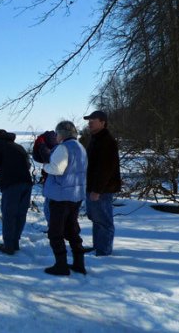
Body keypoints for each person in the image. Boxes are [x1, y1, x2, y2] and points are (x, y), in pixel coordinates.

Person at [43, 121, 88, 275]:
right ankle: (79, 263)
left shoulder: (63, 148)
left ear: (62, 134)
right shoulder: (80, 147)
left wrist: (45, 165)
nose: (55, 136)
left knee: (56, 231)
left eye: (57, 133)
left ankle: (61, 265)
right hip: (76, 194)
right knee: (72, 229)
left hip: (60, 195)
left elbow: (57, 169)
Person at [0, 129, 33, 255]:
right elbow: (28, 165)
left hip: (11, 184)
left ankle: (8, 245)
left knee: (9, 215)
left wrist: (3, 172)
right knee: (20, 214)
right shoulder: (18, 146)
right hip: (26, 182)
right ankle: (15, 242)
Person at [83, 110, 121, 256]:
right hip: (93, 187)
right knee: (96, 219)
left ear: (103, 122)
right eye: (89, 121)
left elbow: (106, 168)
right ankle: (98, 247)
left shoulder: (107, 141)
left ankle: (104, 251)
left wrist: (97, 190)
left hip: (102, 190)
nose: (90, 123)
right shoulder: (95, 139)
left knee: (104, 221)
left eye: (93, 120)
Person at [33, 130, 58, 226]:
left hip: (53, 183)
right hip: (54, 182)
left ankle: (53, 228)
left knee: (49, 207)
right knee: (51, 207)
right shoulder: (60, 147)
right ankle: (54, 228)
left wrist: (41, 145)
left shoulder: (53, 151)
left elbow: (48, 160)